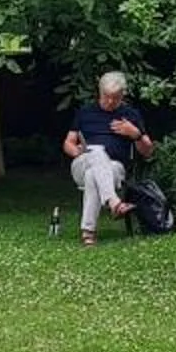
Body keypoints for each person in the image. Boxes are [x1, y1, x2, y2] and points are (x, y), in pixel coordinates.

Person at [63, 71, 155, 246]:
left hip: (115, 168)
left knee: (93, 175)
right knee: (96, 152)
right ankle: (113, 201)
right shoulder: (85, 112)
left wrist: (135, 134)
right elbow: (68, 143)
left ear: (122, 96)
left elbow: (148, 151)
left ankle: (88, 232)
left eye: (116, 98)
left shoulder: (131, 115)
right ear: (99, 92)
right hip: (82, 163)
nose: (111, 102)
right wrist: (77, 151)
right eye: (107, 97)